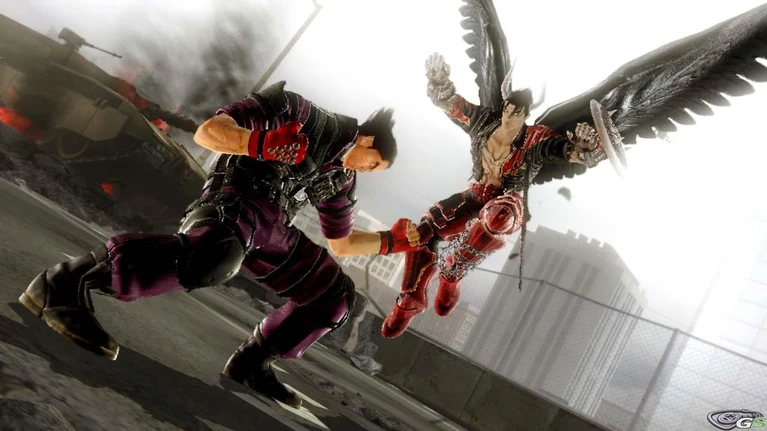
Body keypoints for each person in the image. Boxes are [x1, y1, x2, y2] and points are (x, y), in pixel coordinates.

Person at [19, 81, 418, 408]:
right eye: (374, 163)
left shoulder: (341, 178)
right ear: (367, 139)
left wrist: (390, 242)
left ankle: (251, 364)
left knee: (334, 296)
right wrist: (260, 143)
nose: (368, 171)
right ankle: (63, 284)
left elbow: (342, 243)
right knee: (214, 257)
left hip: (275, 225)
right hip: (236, 198)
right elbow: (208, 132)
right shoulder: (300, 113)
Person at [379, 54, 604, 339]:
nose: (510, 114)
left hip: (508, 201)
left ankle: (452, 273)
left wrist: (586, 145)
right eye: (508, 108)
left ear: (526, 115)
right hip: (478, 192)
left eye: (517, 112)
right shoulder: (484, 120)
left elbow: (567, 153)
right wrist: (439, 80)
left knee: (500, 216)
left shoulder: (537, 138)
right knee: (427, 227)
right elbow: (452, 105)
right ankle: (410, 298)